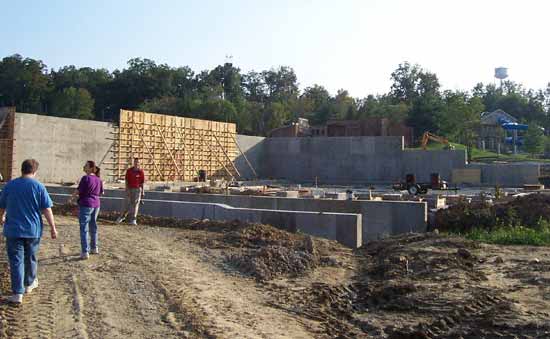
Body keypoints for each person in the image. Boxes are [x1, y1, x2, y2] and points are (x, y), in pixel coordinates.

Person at [0, 159, 57, 304]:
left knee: (16, 261)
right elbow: (46, 209)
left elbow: (2, 205)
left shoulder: (10, 185)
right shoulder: (39, 186)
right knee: (31, 257)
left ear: (21, 169)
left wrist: (1, 217)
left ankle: (17, 293)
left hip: (13, 229)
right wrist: (53, 227)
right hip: (33, 230)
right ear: (35, 171)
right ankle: (29, 284)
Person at [71, 161, 103, 260]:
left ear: (90, 168)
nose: (84, 167)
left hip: (86, 204)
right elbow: (102, 192)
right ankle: (94, 247)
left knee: (84, 227)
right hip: (96, 204)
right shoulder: (98, 179)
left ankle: (85, 251)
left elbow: (78, 190)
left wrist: (71, 198)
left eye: (86, 166)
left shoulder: (86, 178)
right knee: (93, 225)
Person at [116, 158, 145, 225]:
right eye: (135, 162)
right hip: (130, 189)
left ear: (139, 163)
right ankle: (122, 216)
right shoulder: (129, 171)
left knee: (135, 205)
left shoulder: (141, 172)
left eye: (138, 162)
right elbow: (126, 181)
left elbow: (142, 183)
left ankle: (133, 219)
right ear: (133, 162)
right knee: (126, 203)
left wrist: (143, 191)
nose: (136, 163)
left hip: (137, 190)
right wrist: (127, 189)